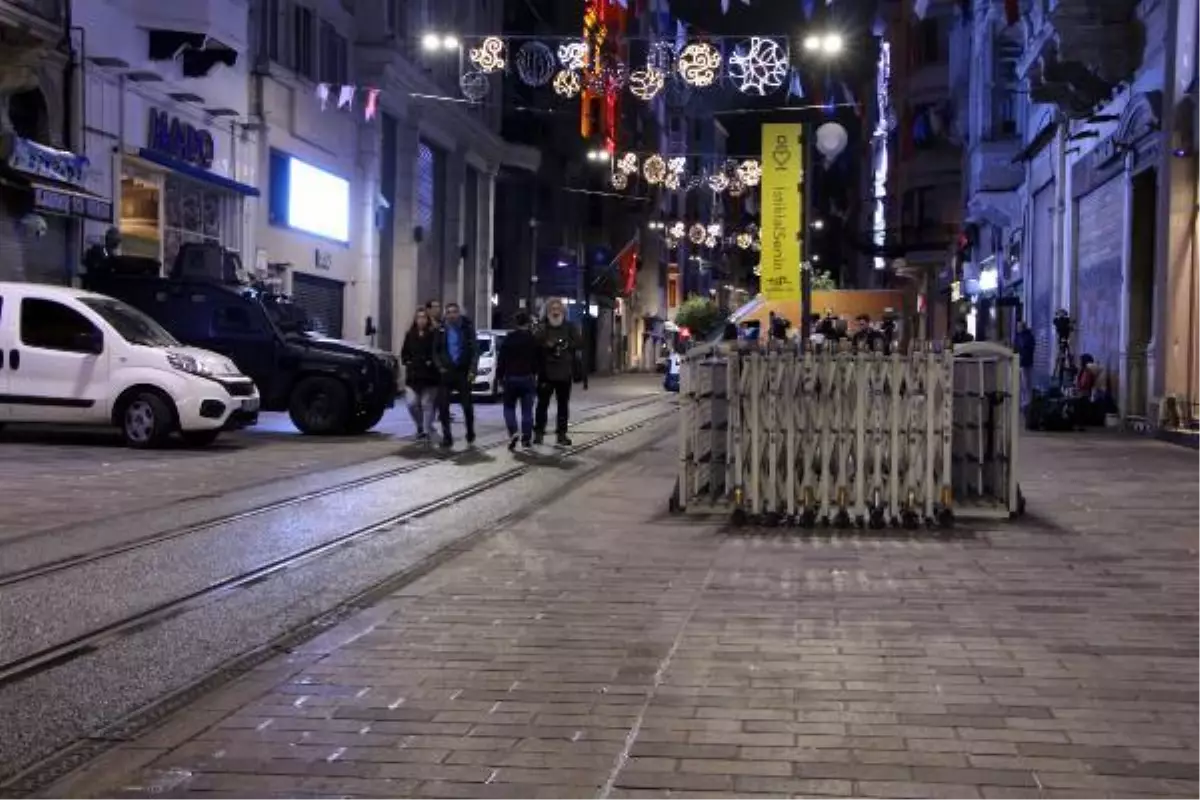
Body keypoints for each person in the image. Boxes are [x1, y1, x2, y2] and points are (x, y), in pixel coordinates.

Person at [534, 298, 582, 446]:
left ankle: (561, 434)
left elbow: (579, 342)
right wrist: (547, 345)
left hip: (564, 372)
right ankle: (538, 433)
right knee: (542, 405)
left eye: (558, 309)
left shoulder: (570, 327)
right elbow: (535, 343)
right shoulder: (542, 327)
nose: (555, 312)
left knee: (563, 405)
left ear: (563, 311)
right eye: (552, 309)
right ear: (547, 311)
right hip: (546, 373)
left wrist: (566, 344)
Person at [433, 302, 478, 447]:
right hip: (446, 372)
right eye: (449, 312)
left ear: (459, 313)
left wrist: (473, 370)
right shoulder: (441, 330)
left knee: (467, 406)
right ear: (446, 314)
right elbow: (435, 351)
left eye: (454, 312)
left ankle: (470, 431)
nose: (452, 315)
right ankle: (447, 436)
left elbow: (475, 350)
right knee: (443, 406)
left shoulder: (467, 328)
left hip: (463, 372)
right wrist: (440, 367)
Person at [497, 310, 540, 450]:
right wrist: (535, 373)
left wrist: (499, 376)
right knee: (527, 410)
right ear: (528, 323)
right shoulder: (532, 339)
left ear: (515, 323)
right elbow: (537, 360)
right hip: (527, 377)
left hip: (511, 377)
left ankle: (513, 432)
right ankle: (526, 438)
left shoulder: (509, 339)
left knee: (509, 408)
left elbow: (502, 359)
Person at [400, 307, 439, 441]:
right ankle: (420, 425)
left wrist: (431, 362)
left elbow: (437, 352)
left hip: (429, 376)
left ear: (427, 319)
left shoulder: (433, 335)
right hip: (413, 376)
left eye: (423, 317)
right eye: (419, 317)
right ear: (415, 320)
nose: (421, 320)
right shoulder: (410, 335)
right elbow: (404, 353)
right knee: (412, 403)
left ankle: (426, 431)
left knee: (426, 404)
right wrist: (408, 362)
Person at [1014, 320, 1035, 408]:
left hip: (1025, 363)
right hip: (1021, 363)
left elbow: (1026, 350)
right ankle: (1023, 401)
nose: (1017, 328)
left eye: (1019, 326)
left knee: (1026, 383)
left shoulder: (1027, 337)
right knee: (1022, 384)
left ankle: (1027, 402)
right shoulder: (1019, 337)